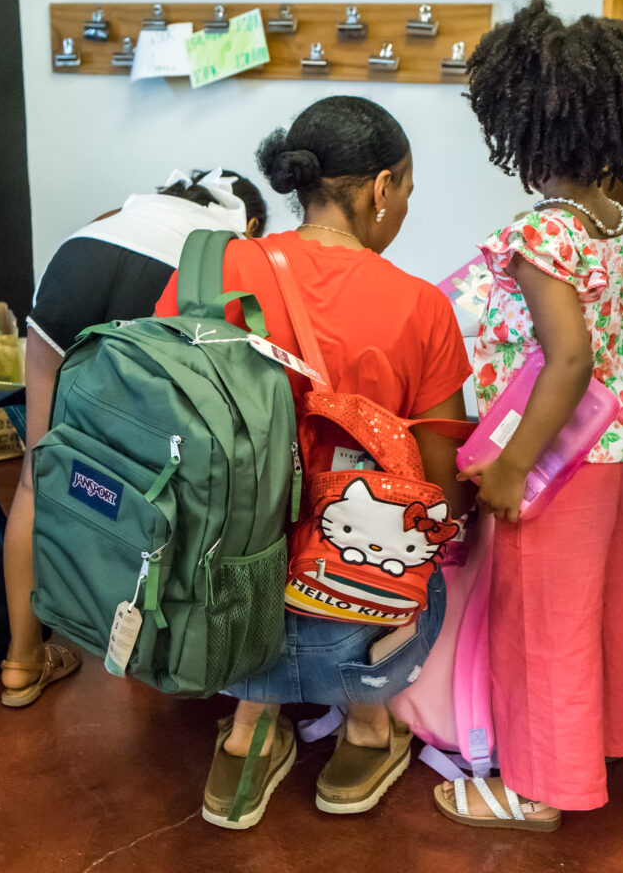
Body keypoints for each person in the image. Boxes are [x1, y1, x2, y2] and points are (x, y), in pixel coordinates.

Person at [154, 95, 474, 829]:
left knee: (253, 530)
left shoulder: (215, 267)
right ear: (381, 188)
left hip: (215, 591)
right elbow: (438, 487)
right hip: (345, 611)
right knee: (418, 550)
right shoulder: (419, 305)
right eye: (405, 195)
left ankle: (247, 734)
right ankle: (365, 727)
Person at [434, 0, 623, 830]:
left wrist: (507, 465)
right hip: (620, 446)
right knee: (598, 607)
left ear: (524, 133)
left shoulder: (542, 237)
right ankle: (595, 743)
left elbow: (566, 360)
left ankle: (537, 788)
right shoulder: (613, 225)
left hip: (557, 457)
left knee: (540, 625)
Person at [0, 168, 267, 707]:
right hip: (167, 282)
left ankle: (21, 662)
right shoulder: (232, 247)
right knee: (154, 486)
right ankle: (148, 654)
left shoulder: (126, 211)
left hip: (77, 261)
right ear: (252, 221)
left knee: (37, 475)